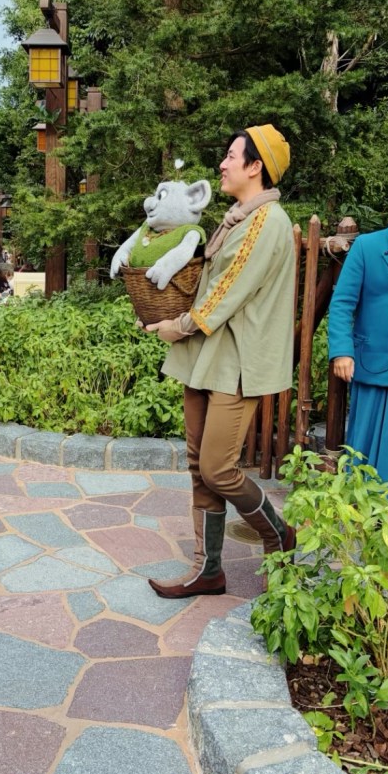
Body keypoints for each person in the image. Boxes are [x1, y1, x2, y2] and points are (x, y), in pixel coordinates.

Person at [145, 124, 297, 598]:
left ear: (256, 166)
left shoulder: (267, 221)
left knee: (218, 468)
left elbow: (230, 290)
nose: (223, 164)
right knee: (199, 466)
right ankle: (207, 569)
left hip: (237, 359)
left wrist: (179, 325)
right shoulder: (236, 218)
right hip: (207, 356)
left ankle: (279, 534)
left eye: (232, 156)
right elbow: (209, 281)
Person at [328, 177, 388, 515]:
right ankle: (368, 525)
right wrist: (342, 350)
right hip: (370, 366)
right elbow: (342, 303)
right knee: (365, 461)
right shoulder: (367, 247)